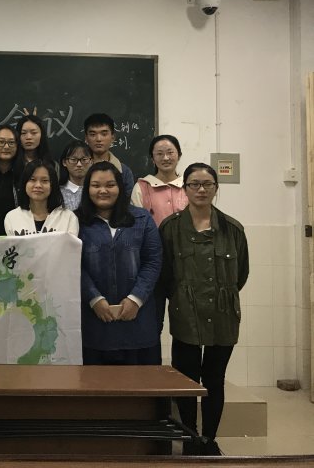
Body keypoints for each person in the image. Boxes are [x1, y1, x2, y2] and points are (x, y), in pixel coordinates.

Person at [159, 163, 249, 456]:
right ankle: (189, 437)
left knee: (214, 380)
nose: (201, 189)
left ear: (216, 188)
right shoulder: (171, 228)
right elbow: (165, 275)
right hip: (185, 315)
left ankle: (209, 439)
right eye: (194, 184)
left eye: (207, 184)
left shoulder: (233, 229)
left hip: (223, 316)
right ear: (184, 189)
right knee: (187, 381)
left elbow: (241, 275)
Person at [75, 161, 162, 366]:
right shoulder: (76, 221)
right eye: (96, 185)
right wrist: (94, 298)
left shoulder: (142, 219)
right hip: (93, 322)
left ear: (120, 187)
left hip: (137, 321)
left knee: (141, 382)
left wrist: (136, 299)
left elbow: (153, 261)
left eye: (110, 185)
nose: (103, 190)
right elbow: (73, 265)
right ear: (87, 189)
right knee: (94, 383)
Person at [4, 159, 78, 236]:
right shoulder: (12, 217)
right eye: (32, 180)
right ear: (24, 183)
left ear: (52, 185)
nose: (38, 185)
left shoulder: (68, 217)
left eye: (44, 180)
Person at [132, 134, 188, 226]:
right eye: (159, 154)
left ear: (179, 156)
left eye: (170, 152)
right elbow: (137, 224)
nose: (165, 158)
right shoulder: (141, 187)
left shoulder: (189, 185)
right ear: (152, 159)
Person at [83, 112, 135, 199]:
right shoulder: (78, 168)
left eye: (104, 134)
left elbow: (126, 203)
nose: (98, 139)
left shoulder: (124, 172)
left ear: (113, 137)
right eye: (93, 134)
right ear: (86, 138)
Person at [59, 140, 92, 211]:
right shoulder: (57, 192)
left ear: (91, 162)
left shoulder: (95, 191)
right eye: (73, 159)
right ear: (64, 162)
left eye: (84, 159)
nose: (79, 164)